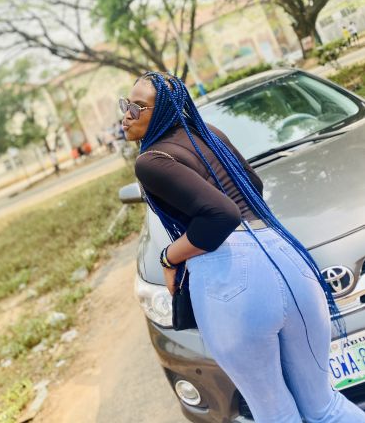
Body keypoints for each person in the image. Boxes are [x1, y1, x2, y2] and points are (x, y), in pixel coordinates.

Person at [119, 71, 365, 423]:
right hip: (286, 258)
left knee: (275, 414)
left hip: (233, 279)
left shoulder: (151, 160)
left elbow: (222, 215)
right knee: (323, 406)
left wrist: (169, 258)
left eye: (137, 107)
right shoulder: (210, 135)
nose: (126, 115)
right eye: (125, 105)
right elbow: (253, 186)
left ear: (161, 113)